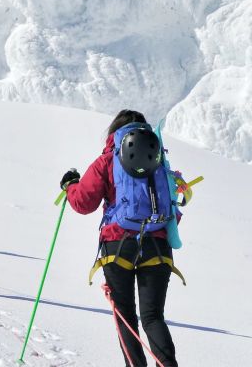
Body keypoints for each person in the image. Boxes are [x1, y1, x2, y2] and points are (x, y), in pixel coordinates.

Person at [60, 110, 179, 367]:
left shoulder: (108, 159)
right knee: (153, 316)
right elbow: (173, 210)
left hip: (118, 245)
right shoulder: (159, 162)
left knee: (125, 315)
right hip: (157, 245)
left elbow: (83, 202)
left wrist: (70, 186)